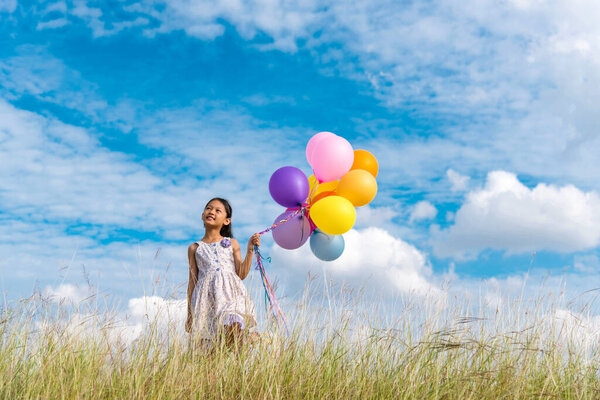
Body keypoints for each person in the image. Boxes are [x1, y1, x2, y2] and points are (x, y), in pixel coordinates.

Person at [185, 197, 259, 351]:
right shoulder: (195, 248)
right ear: (202, 215)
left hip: (231, 296)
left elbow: (242, 273)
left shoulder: (232, 243)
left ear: (226, 221)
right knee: (210, 350)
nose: (211, 212)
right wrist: (190, 315)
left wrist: (250, 249)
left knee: (234, 324)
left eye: (218, 210)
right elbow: (192, 282)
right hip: (206, 301)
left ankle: (243, 356)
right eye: (208, 208)